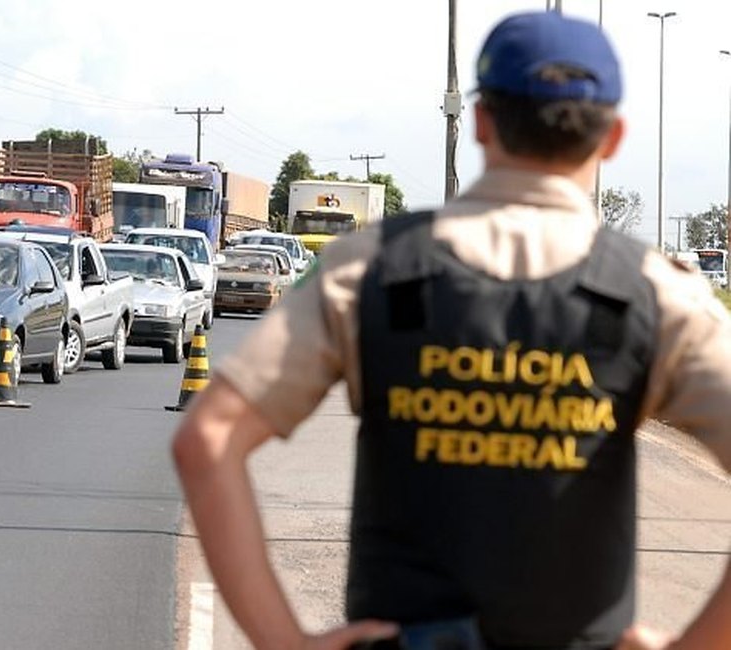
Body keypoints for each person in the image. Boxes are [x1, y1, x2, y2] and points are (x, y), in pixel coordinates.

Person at [171, 11, 731, 650]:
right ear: (613, 138)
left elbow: (206, 441)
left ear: (482, 122)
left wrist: (285, 642)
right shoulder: (660, 294)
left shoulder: (368, 267)